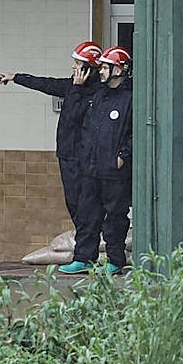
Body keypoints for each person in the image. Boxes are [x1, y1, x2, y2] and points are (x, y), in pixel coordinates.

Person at [0, 41, 103, 228]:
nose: (73, 67)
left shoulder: (96, 93)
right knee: (73, 202)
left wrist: (76, 88)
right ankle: (85, 242)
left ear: (88, 68)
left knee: (86, 205)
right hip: (67, 155)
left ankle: (91, 244)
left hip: (83, 158)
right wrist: (15, 77)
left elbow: (73, 116)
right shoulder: (72, 86)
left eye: (77, 63)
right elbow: (46, 84)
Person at [62, 45, 132, 275]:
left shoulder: (130, 98)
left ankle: (115, 261)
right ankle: (83, 258)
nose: (100, 71)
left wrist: (123, 155)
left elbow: (136, 133)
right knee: (87, 215)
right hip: (89, 167)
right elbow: (76, 121)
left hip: (113, 172)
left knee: (114, 217)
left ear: (119, 70)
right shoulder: (97, 95)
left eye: (105, 67)